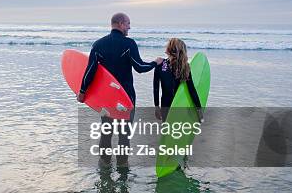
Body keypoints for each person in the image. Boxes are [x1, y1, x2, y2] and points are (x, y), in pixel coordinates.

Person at [77, 13, 163, 164]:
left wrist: (82, 91)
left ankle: (104, 165)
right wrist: (155, 62)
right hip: (126, 97)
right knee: (124, 134)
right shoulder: (129, 43)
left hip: (107, 98)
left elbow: (90, 71)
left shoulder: (98, 44)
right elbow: (140, 67)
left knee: (106, 132)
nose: (129, 27)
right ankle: (122, 167)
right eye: (128, 23)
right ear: (121, 23)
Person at [153, 38, 203, 122]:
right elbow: (191, 90)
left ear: (168, 49)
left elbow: (156, 87)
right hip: (180, 103)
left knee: (167, 130)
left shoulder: (160, 64)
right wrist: (199, 109)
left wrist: (156, 106)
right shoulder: (184, 67)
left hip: (165, 104)